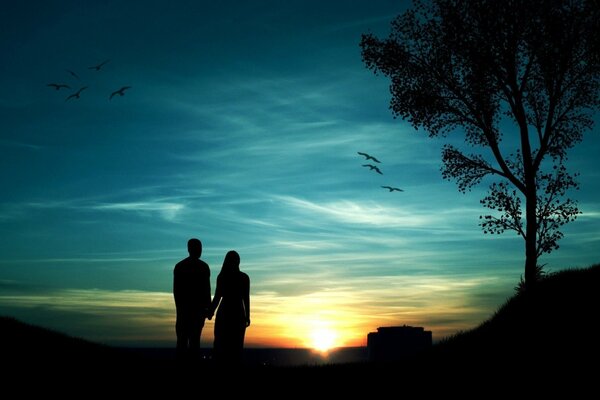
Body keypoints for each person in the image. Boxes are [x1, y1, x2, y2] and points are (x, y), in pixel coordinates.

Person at [207, 250, 250, 365]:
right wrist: (247, 316)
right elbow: (246, 299)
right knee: (236, 346)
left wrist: (210, 311)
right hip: (237, 314)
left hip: (227, 313)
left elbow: (217, 297)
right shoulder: (243, 278)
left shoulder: (222, 277)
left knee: (223, 344)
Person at [173, 238, 211, 360]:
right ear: (189, 249)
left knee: (184, 344)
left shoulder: (180, 266)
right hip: (193, 312)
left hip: (187, 312)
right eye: (198, 248)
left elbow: (177, 292)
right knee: (192, 344)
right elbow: (207, 290)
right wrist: (208, 309)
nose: (200, 250)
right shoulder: (203, 267)